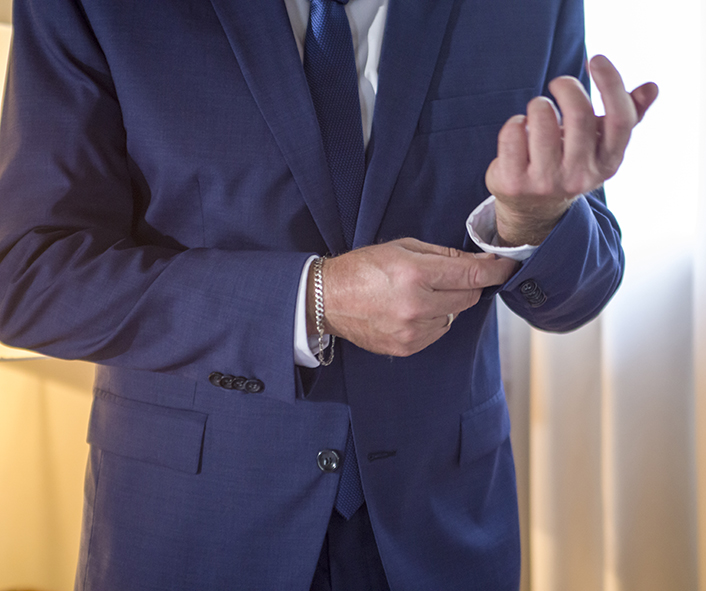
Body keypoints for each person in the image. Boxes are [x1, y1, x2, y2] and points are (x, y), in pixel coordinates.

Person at [0, 0, 656, 588]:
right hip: (190, 531)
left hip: (443, 533)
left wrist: (532, 225)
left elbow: (582, 292)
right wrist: (312, 297)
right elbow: (26, 273)